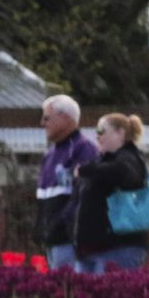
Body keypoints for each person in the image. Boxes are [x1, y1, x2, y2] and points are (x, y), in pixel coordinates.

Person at [74, 112, 149, 273]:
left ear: (120, 133)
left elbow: (123, 173)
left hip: (118, 247)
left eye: (102, 131)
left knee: (114, 296)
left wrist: (86, 169)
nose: (97, 136)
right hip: (92, 248)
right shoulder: (103, 160)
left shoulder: (129, 158)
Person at [36, 94, 97, 272]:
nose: (42, 123)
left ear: (65, 118)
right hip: (52, 239)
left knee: (69, 289)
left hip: (69, 239)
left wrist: (63, 223)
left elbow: (86, 194)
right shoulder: (50, 154)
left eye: (47, 118)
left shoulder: (83, 149)